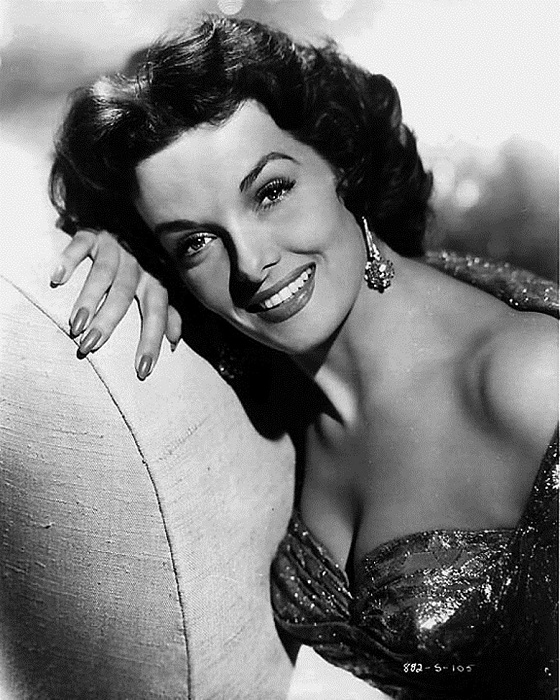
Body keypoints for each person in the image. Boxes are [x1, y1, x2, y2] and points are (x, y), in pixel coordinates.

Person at [48, 14, 558, 699]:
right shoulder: (266, 376)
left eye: (271, 192)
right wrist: (116, 256)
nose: (251, 263)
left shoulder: (531, 381)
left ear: (339, 160)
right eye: (195, 242)